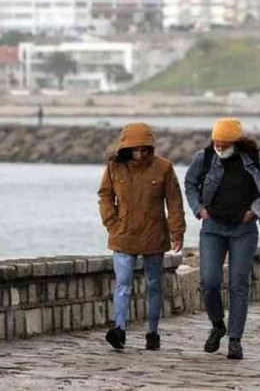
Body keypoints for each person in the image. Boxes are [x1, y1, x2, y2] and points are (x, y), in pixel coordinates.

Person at [184, 118, 260, 360]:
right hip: (212, 227)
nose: (220, 147)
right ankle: (217, 325)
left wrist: (255, 211)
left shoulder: (255, 159)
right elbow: (190, 183)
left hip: (243, 230)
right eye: (216, 142)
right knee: (209, 281)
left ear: (236, 142)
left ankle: (235, 340)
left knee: (239, 283)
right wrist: (198, 209)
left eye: (225, 144)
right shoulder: (204, 158)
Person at [98, 122, 186, 351]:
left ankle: (153, 332)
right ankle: (119, 330)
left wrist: (177, 232)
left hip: (153, 234)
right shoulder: (114, 167)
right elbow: (105, 196)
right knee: (123, 283)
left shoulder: (164, 168)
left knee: (154, 284)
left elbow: (174, 202)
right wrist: (111, 222)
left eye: (144, 149)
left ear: (150, 147)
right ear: (126, 148)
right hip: (123, 233)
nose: (140, 154)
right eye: (135, 149)